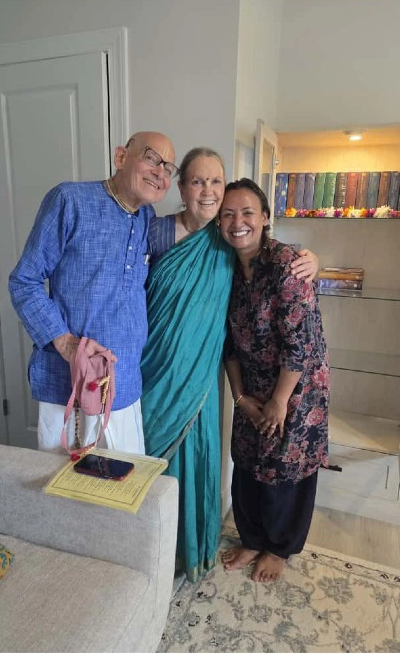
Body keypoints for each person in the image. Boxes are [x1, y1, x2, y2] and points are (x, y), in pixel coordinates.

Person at [139, 149, 317, 584]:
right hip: (175, 370)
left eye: (215, 181)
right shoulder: (169, 235)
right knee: (245, 461)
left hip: (250, 381)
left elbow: (296, 321)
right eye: (197, 181)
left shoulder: (250, 250)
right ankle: (225, 541)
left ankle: (264, 547)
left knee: (281, 464)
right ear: (181, 187)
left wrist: (315, 260)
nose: (208, 191)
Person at [8, 132, 177, 455]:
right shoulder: (69, 201)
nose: (160, 172)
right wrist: (66, 343)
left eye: (168, 168)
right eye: (152, 158)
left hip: (124, 386)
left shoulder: (146, 218)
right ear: (120, 157)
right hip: (69, 386)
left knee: (124, 482)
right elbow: (23, 281)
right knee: (66, 484)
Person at [214, 178, 331, 583]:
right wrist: (240, 396)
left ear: (265, 217)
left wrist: (280, 401)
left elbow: (300, 344)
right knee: (248, 460)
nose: (238, 222)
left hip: (296, 386)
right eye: (228, 214)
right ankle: (252, 538)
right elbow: (226, 342)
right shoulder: (225, 268)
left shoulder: (287, 265)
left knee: (285, 466)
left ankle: (279, 547)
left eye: (247, 212)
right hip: (251, 383)